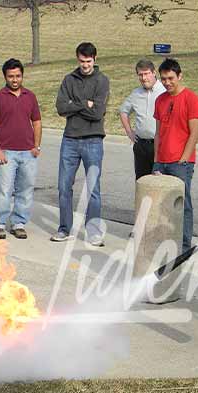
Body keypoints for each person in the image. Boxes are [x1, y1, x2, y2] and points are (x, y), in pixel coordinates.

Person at [53, 42, 110, 246]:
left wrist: (73, 105)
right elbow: (60, 107)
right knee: (63, 186)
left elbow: (97, 113)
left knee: (93, 188)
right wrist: (84, 103)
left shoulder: (102, 81)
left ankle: (93, 232)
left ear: (94, 59)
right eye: (81, 61)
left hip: (93, 140)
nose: (85, 65)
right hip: (70, 140)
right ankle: (64, 228)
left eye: (88, 61)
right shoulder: (69, 79)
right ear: (77, 59)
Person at [0, 58, 42, 240]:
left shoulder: (30, 96)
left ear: (22, 76)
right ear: (5, 77)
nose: (15, 80)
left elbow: (37, 122)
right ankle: (0, 223)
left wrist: (36, 145)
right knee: (4, 190)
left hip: (28, 153)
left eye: (18, 76)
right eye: (11, 76)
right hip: (7, 153)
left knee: (26, 189)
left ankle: (18, 223)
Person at [152, 58, 198, 251]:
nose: (167, 82)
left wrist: (183, 160)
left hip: (180, 163)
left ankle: (183, 244)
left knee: (182, 205)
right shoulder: (160, 100)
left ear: (179, 76)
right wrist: (156, 161)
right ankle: (165, 241)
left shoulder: (190, 98)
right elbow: (158, 133)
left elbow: (194, 132)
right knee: (161, 206)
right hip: (162, 161)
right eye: (163, 79)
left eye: (171, 78)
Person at [119, 59, 166, 180]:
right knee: (141, 182)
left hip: (160, 145)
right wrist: (129, 132)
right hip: (141, 146)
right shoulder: (136, 93)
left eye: (146, 73)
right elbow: (123, 111)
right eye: (140, 74)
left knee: (158, 183)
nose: (144, 78)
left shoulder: (164, 91)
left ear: (154, 73)